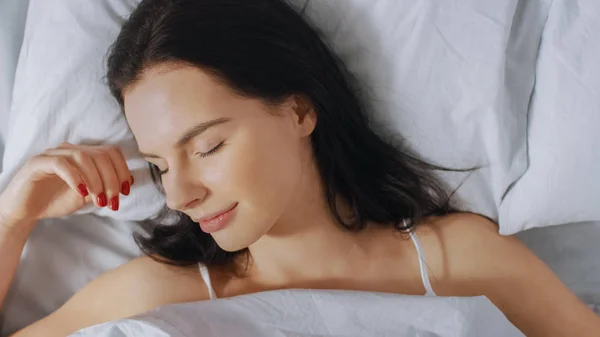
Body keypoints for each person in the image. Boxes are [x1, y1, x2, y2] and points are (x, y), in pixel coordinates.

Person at [0, 0, 598, 336]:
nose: (180, 191)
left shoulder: (460, 259)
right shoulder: (160, 292)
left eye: (207, 147)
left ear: (299, 109)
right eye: (157, 166)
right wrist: (14, 216)